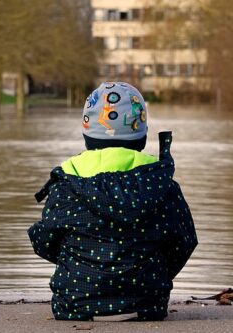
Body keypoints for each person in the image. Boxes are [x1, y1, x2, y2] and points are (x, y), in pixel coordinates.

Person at [28, 81, 197, 321]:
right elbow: (184, 242)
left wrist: (77, 259)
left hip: (76, 305)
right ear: (142, 137)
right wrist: (157, 272)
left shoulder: (66, 186)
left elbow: (45, 240)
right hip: (147, 305)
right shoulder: (162, 186)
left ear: (86, 135)